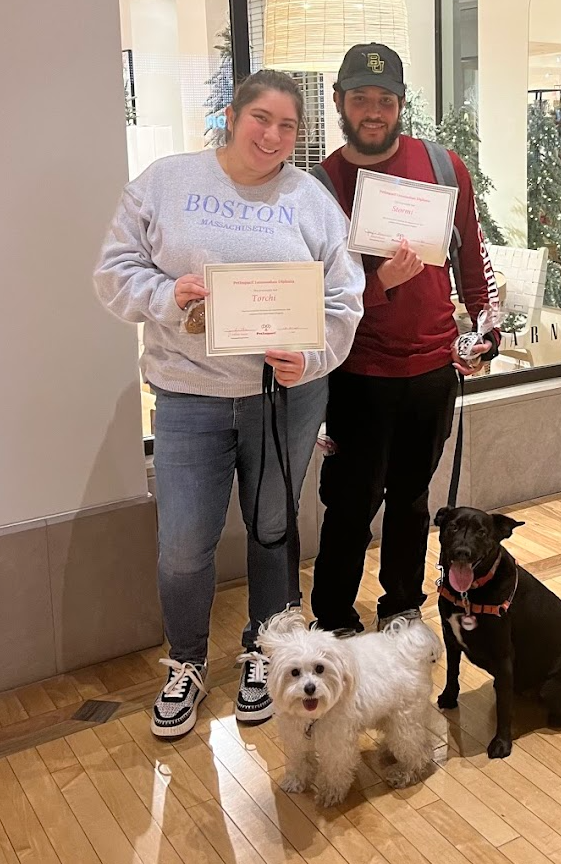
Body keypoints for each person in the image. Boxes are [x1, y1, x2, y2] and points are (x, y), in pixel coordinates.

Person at [95, 70, 364, 736]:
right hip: (189, 397)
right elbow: (114, 272)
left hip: (285, 399)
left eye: (287, 126)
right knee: (185, 544)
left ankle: (264, 653)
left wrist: (310, 358)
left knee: (273, 531)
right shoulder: (166, 181)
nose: (272, 136)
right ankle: (185, 662)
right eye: (260, 119)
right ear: (230, 116)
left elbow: (343, 300)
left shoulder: (310, 200)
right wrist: (170, 296)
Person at [310, 43, 500, 638]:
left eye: (384, 100)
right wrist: (377, 283)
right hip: (355, 373)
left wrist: (485, 327)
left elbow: (473, 255)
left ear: (400, 104)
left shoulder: (444, 167)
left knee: (413, 499)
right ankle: (335, 617)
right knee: (349, 504)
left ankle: (399, 608)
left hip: (433, 370)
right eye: (360, 98)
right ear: (339, 102)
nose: (373, 110)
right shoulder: (317, 187)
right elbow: (310, 291)